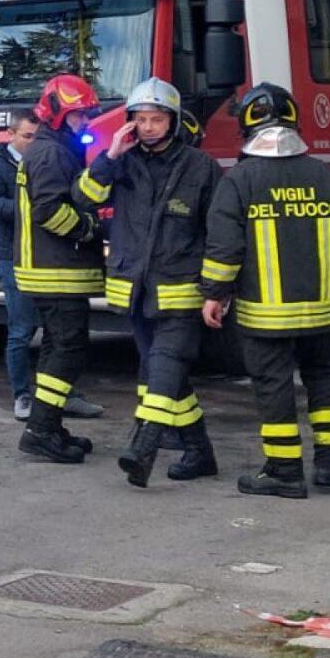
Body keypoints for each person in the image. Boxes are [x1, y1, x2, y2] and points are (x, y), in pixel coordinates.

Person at [202, 83, 330, 500]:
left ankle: (285, 471)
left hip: (265, 318)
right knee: (325, 386)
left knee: (274, 391)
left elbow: (224, 248)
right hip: (323, 315)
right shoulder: (325, 176)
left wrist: (214, 294)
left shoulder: (240, 181)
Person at [78, 78, 220, 488]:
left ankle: (144, 449)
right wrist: (109, 155)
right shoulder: (120, 162)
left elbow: (219, 232)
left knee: (161, 370)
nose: (148, 127)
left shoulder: (200, 167)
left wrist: (216, 290)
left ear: (173, 121)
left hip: (181, 289)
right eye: (140, 120)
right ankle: (199, 452)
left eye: (156, 119)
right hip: (136, 292)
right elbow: (86, 198)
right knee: (166, 375)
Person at [0, 111, 105, 429]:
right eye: (27, 136)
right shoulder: (1, 165)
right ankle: (24, 397)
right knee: (23, 331)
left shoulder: (43, 155)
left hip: (37, 257)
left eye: (36, 134)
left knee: (55, 338)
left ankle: (59, 400)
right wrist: (28, 212)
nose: (33, 141)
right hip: (17, 256)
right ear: (11, 135)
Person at [12, 73, 105, 465]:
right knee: (65, 350)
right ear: (57, 114)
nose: (84, 123)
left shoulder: (50, 148)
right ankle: (41, 430)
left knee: (56, 348)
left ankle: (46, 424)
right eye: (78, 116)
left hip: (52, 269)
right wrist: (88, 228)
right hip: (56, 270)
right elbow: (49, 210)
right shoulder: (51, 153)